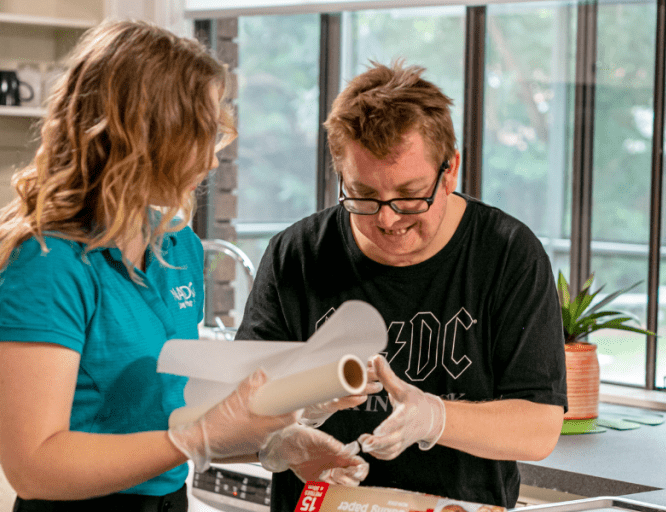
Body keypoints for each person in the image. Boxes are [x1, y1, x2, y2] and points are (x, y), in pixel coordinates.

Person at [0, 20, 303, 512]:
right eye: (199, 132)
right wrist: (201, 437)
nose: (212, 158)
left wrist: (273, 445)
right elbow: (32, 465)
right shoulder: (43, 265)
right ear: (142, 137)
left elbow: (163, 419)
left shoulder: (177, 246)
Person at [236, 62, 567, 510]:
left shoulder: (507, 255)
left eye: (410, 195)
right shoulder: (296, 255)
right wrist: (282, 440)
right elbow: (236, 414)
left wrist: (435, 417)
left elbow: (538, 428)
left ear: (450, 170)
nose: (388, 219)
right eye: (364, 196)